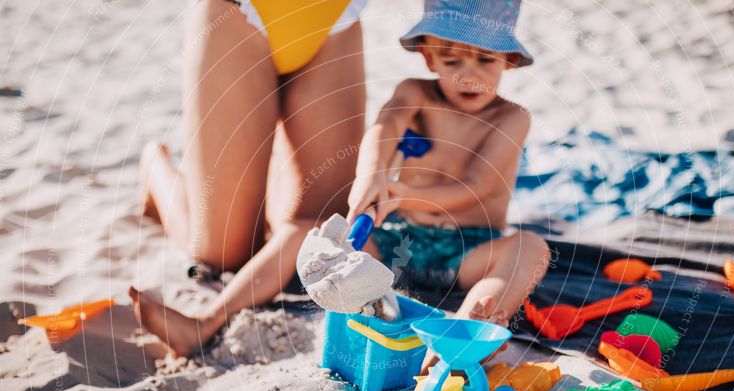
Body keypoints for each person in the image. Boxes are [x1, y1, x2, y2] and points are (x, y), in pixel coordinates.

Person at [129, 0, 368, 356]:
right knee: (225, 254)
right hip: (239, 16)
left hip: (334, 18)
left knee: (321, 236)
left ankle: (254, 169)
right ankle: (156, 168)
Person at [347, 0, 549, 332]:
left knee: (532, 247)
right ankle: (365, 300)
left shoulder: (511, 117)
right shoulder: (415, 93)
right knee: (326, 233)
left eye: (486, 60)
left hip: (467, 253)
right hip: (399, 242)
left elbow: (476, 186)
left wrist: (402, 195)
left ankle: (474, 321)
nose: (469, 76)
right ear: (428, 57)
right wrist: (371, 174)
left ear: (509, 60)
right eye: (451, 60)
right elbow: (386, 125)